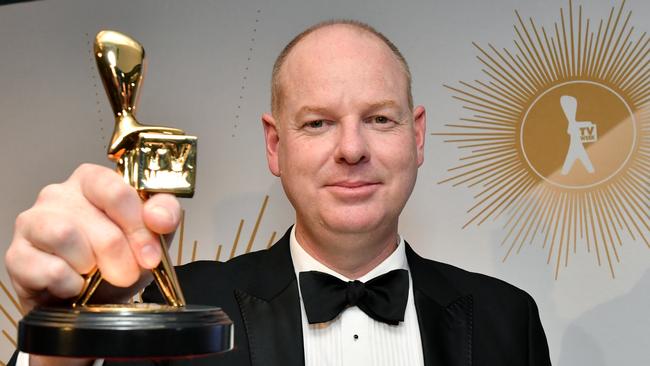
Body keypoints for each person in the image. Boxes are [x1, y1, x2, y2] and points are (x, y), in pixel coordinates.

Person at [5, 20, 551, 366]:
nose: (352, 149)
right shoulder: (180, 309)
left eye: (380, 118)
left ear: (417, 134)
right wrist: (59, 348)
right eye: (317, 123)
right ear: (275, 145)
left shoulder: (508, 319)